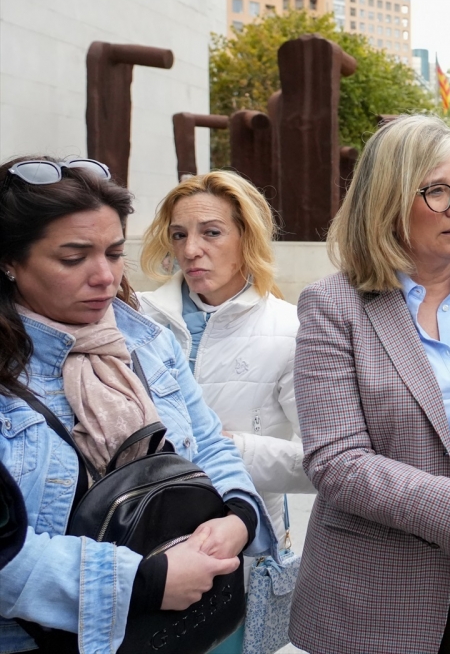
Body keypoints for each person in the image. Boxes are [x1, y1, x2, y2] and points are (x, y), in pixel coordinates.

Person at [288, 115, 450, 654]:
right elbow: (336, 462)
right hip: (376, 579)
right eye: (436, 190)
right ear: (386, 201)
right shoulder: (333, 306)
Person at [0, 156, 273, 652]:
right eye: (73, 257)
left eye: (114, 253)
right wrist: (141, 582)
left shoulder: (147, 341)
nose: (104, 277)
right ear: (9, 261)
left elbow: (207, 443)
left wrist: (237, 518)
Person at [138, 171, 311, 541]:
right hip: (145, 540)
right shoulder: (139, 320)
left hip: (245, 542)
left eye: (211, 232)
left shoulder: (292, 329)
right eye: (179, 234)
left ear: (247, 236)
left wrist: (234, 449)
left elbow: (327, 462)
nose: (190, 250)